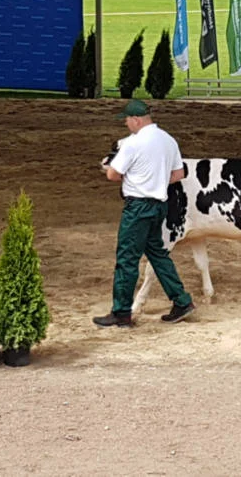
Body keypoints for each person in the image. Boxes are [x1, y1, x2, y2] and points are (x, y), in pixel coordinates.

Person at [93, 100, 195, 327]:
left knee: (127, 258)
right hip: (159, 204)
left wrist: (109, 169)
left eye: (127, 121)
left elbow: (113, 174)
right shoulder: (168, 140)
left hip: (137, 206)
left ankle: (121, 311)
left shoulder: (132, 143)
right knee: (158, 254)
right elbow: (178, 173)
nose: (127, 125)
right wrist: (156, 181)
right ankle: (181, 300)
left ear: (136, 120)